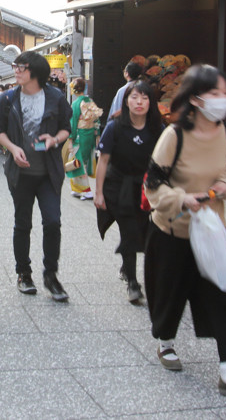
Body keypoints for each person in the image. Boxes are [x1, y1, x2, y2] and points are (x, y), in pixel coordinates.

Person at [143, 64, 226, 399]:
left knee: (222, 297)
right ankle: (166, 342)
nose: (224, 99)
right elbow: (153, 184)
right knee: (169, 294)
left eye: (225, 92)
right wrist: (181, 198)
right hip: (173, 232)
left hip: (212, 232)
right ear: (194, 99)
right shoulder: (173, 135)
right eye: (215, 93)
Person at [0, 51, 72, 301]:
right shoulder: (7, 98)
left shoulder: (56, 97)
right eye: (14, 66)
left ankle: (51, 275)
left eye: (21, 67)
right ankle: (23, 274)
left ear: (35, 71)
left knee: (52, 222)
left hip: (48, 172)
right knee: (23, 223)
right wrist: (13, 148)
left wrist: (54, 139)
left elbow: (66, 129)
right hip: (21, 173)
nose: (15, 70)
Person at [94, 80, 162, 303]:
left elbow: (167, 161)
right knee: (129, 232)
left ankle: (126, 265)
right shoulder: (115, 126)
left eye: (144, 98)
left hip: (147, 188)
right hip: (119, 187)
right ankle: (133, 283)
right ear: (126, 101)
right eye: (134, 97)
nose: (139, 102)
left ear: (151, 102)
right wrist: (99, 192)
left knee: (144, 232)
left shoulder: (158, 129)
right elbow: (103, 161)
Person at [67, 78, 102, 200]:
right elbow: (97, 119)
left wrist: (70, 140)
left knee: (78, 161)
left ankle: (87, 190)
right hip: (90, 134)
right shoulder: (89, 100)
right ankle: (76, 189)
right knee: (82, 161)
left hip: (80, 135)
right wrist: (97, 135)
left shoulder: (76, 104)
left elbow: (73, 123)